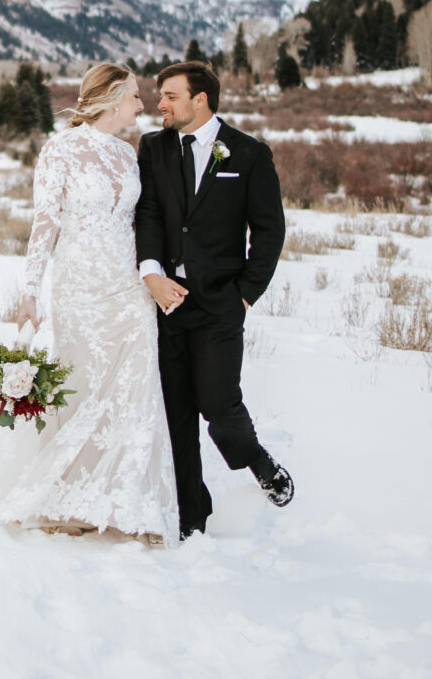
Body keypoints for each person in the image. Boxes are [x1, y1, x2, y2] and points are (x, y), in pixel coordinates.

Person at [0, 62, 177, 545]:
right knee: (85, 387)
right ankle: (70, 498)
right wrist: (29, 291)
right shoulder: (61, 150)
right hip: (80, 288)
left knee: (135, 387)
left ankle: (130, 501)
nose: (142, 104)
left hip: (127, 288)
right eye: (135, 95)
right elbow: (44, 224)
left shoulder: (128, 154)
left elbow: (139, 223)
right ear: (113, 98)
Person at [135, 59, 293, 539]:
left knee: (220, 408)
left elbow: (269, 231)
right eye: (160, 95)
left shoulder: (247, 153)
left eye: (170, 96)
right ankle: (192, 517)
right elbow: (150, 214)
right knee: (176, 414)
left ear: (200, 100)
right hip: (165, 303)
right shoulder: (153, 147)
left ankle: (259, 462)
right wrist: (151, 274)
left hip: (221, 304)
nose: (159, 104)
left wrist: (245, 295)